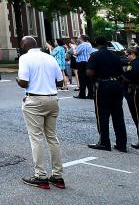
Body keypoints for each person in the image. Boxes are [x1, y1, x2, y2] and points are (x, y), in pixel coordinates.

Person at [16, 35, 65, 190]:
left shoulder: (25, 58)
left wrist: (18, 79)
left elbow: (24, 82)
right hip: (52, 99)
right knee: (52, 137)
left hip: (35, 100)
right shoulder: (49, 57)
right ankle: (57, 176)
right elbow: (60, 81)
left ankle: (40, 176)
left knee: (36, 138)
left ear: (25, 45)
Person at [86, 37, 127, 152]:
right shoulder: (114, 55)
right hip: (117, 85)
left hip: (103, 85)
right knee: (118, 115)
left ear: (96, 43)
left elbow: (89, 72)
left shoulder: (95, 55)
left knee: (102, 115)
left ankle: (104, 142)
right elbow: (121, 72)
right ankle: (121, 143)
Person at [75, 34, 95, 99]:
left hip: (81, 63)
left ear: (81, 39)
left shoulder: (81, 45)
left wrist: (73, 48)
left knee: (82, 79)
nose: (77, 39)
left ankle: (82, 94)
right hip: (88, 62)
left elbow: (76, 53)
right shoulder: (89, 44)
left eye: (78, 38)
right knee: (89, 79)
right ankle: (90, 94)